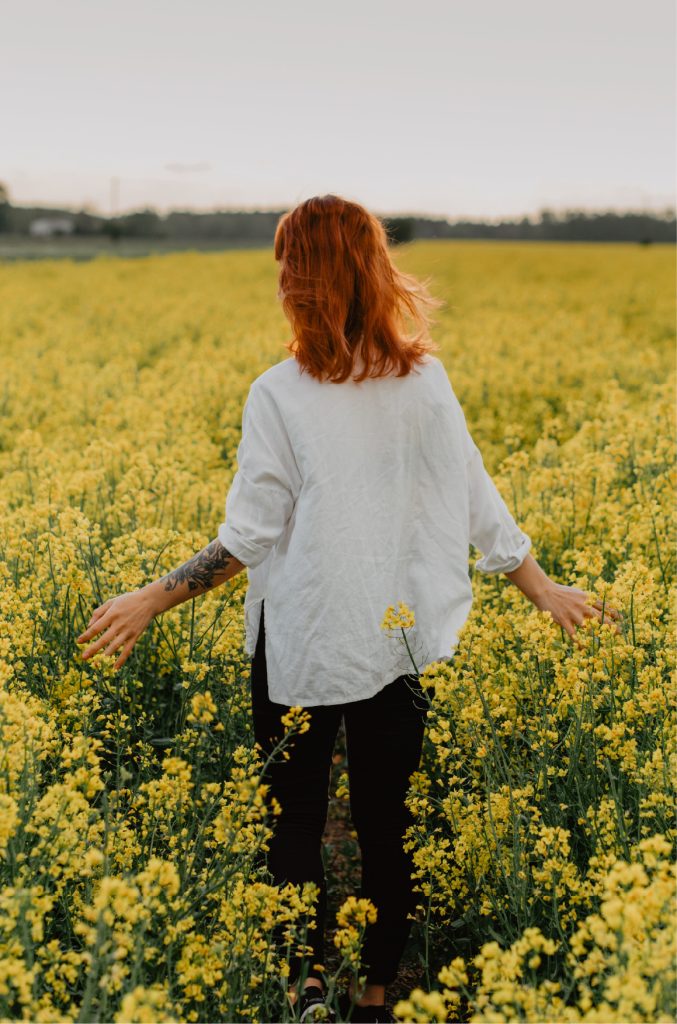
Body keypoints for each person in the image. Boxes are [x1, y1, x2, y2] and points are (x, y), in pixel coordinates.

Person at [76, 194, 622, 1024]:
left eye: (284, 267)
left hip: (301, 641)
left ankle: (304, 988)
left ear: (301, 279)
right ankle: (374, 994)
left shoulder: (279, 394)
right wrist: (537, 583)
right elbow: (472, 491)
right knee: (385, 818)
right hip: (394, 646)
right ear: (373, 270)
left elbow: (249, 538)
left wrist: (151, 598)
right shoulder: (423, 380)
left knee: (290, 821)